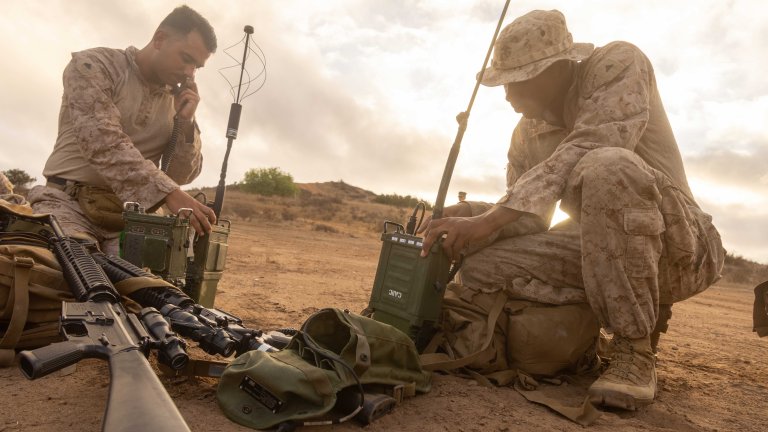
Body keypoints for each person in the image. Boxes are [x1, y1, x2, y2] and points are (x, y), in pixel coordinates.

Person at [420, 10, 724, 410]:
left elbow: (592, 145)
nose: (507, 93)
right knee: (484, 267)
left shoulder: (618, 64)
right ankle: (584, 334)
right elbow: (530, 214)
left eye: (517, 79)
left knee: (607, 166)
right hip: (598, 254)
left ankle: (635, 352)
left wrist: (491, 218)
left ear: (556, 70)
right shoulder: (525, 134)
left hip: (680, 250)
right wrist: (469, 216)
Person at [28, 5, 218, 255]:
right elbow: (102, 142)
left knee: (150, 288)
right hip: (68, 203)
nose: (189, 72)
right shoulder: (95, 66)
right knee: (78, 271)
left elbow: (179, 175)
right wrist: (168, 192)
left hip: (132, 217)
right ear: (160, 39)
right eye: (186, 59)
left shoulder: (178, 98)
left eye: (197, 67)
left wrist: (185, 123)